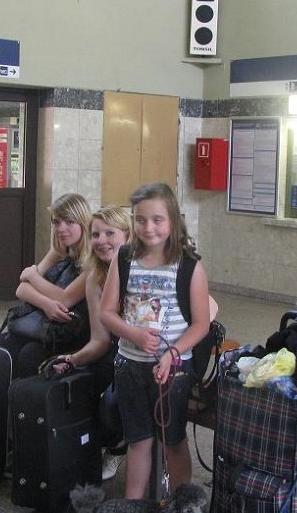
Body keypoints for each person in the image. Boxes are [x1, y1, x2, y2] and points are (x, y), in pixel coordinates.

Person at [99, 183, 210, 499]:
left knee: (173, 440)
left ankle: (180, 502)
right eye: (140, 219)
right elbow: (107, 312)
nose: (148, 228)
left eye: (157, 220)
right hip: (130, 366)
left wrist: (172, 352)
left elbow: (201, 324)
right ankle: (134, 503)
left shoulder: (188, 265)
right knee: (139, 440)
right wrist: (132, 334)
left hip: (173, 371)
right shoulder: (124, 258)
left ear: (173, 220)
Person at [53, 205, 132, 481]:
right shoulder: (95, 277)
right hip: (114, 351)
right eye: (96, 234)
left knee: (110, 405)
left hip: (143, 355)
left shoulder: (144, 271)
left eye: (110, 233)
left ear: (128, 236)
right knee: (73, 385)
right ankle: (84, 446)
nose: (101, 241)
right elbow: (100, 340)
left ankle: (117, 446)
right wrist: (73, 359)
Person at [0, 193, 92, 378]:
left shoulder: (93, 261)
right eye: (56, 222)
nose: (61, 229)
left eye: (69, 222)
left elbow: (65, 298)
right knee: (3, 345)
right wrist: (46, 304)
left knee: (30, 355)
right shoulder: (59, 251)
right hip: (46, 325)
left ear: (83, 222)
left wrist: (32, 275)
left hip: (74, 332)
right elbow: (21, 289)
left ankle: (23, 396)